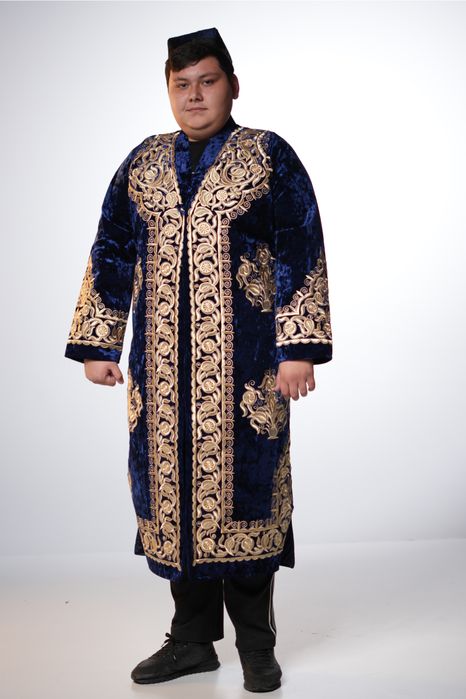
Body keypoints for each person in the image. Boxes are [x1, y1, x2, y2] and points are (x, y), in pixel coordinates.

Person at [64, 27, 333, 693]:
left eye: (207, 81)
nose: (194, 95)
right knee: (171, 502)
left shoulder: (267, 156)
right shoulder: (143, 163)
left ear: (231, 85)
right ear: (168, 89)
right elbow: (111, 248)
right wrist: (99, 342)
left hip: (247, 373)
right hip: (158, 375)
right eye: (181, 84)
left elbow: (300, 246)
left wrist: (298, 348)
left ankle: (256, 647)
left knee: (246, 502)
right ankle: (190, 642)